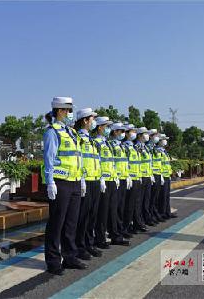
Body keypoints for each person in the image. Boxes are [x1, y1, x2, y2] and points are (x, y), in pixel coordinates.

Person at [43, 97, 87, 276]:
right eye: (68, 111)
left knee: (71, 223)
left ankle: (70, 256)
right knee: (56, 223)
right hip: (60, 183)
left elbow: (78, 157)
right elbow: (49, 158)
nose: (70, 115)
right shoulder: (52, 132)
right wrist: (50, 181)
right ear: (60, 111)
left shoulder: (72, 132)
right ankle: (53, 261)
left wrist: (82, 179)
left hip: (75, 182)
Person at [74, 108, 103, 259]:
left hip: (95, 181)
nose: (94, 122)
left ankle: (89, 244)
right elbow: (79, 161)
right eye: (92, 119)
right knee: (83, 216)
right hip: (84, 181)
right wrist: (82, 179)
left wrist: (101, 178)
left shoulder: (91, 141)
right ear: (85, 120)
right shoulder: (78, 138)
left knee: (92, 215)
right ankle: (80, 246)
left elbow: (97, 161)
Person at [93, 116, 118, 249]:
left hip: (112, 179)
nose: (109, 129)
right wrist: (101, 177)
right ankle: (100, 238)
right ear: (100, 127)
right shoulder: (95, 143)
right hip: (103, 180)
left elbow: (111, 162)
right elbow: (97, 162)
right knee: (102, 212)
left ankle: (113, 234)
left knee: (111, 209)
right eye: (106, 126)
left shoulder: (107, 143)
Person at [108, 122, 132, 242]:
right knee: (114, 208)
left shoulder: (121, 146)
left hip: (122, 179)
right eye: (121, 131)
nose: (123, 134)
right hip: (115, 179)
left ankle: (120, 230)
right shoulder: (111, 145)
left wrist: (127, 176)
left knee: (121, 207)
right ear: (115, 132)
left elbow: (124, 162)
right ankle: (115, 233)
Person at [123, 124, 146, 234]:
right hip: (130, 179)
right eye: (131, 131)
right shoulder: (125, 147)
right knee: (129, 205)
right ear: (126, 133)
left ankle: (134, 224)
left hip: (137, 178)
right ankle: (127, 226)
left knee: (136, 203)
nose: (134, 133)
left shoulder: (133, 147)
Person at [136, 127, 156, 227]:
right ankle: (139, 221)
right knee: (139, 201)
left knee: (146, 200)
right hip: (141, 176)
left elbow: (149, 162)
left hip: (147, 176)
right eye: (145, 134)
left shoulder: (146, 148)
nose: (147, 136)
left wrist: (151, 174)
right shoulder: (137, 147)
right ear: (139, 135)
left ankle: (145, 219)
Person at [158, 134, 178, 220]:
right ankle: (162, 213)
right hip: (162, 175)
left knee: (166, 196)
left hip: (166, 175)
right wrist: (161, 175)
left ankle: (167, 212)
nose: (165, 141)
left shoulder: (164, 151)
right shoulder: (157, 151)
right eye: (163, 139)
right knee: (162, 196)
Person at [147, 129, 165, 223]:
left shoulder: (153, 148)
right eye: (155, 135)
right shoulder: (148, 147)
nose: (157, 137)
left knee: (154, 197)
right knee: (150, 198)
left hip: (156, 174)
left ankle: (153, 214)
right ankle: (149, 216)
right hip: (151, 174)